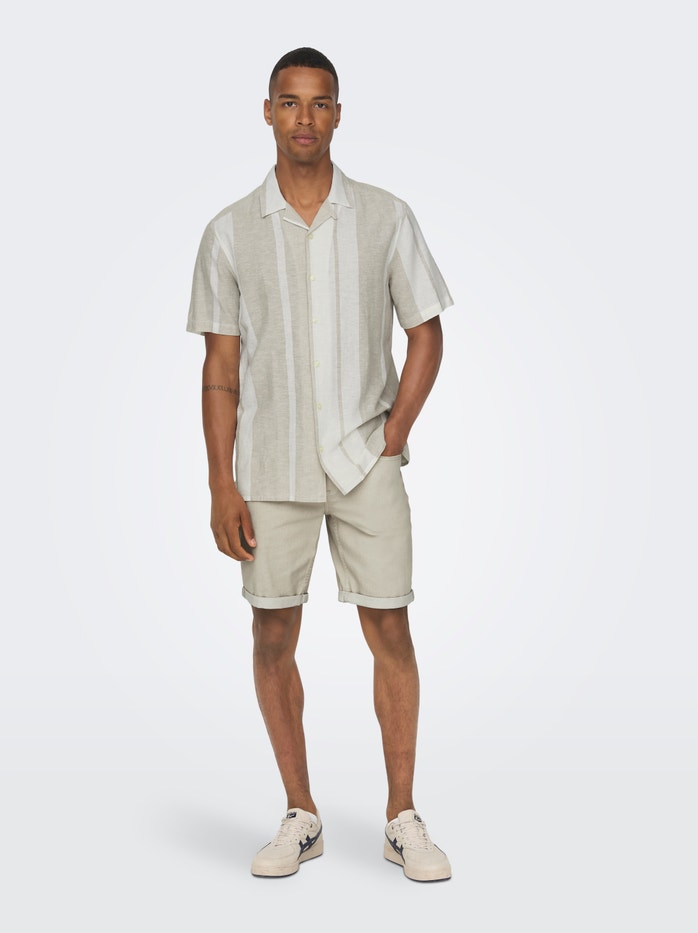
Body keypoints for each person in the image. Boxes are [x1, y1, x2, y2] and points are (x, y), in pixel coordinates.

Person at [187, 47, 454, 882]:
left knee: (391, 626)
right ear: (267, 111)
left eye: (319, 102)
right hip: (270, 465)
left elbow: (426, 331)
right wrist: (221, 481)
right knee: (272, 630)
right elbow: (221, 369)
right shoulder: (229, 231)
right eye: (290, 101)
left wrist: (393, 432)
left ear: (339, 114)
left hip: (364, 458)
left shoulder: (385, 216)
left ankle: (402, 816)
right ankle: (301, 813)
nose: (304, 117)